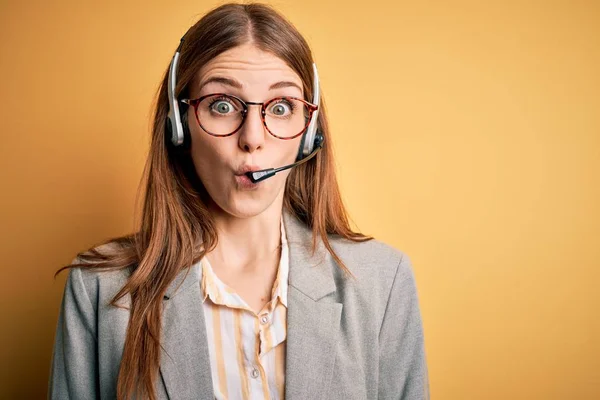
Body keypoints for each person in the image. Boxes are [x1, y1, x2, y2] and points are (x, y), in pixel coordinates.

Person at [48, 3, 429, 399]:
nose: (253, 138)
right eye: (222, 105)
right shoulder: (98, 289)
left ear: (309, 131)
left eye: (281, 108)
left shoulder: (384, 282)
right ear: (179, 126)